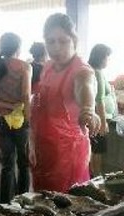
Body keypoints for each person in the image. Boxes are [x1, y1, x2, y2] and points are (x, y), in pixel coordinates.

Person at [30, 13, 100, 193]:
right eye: (50, 41)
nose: (56, 48)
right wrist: (31, 141)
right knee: (41, 200)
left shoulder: (82, 71)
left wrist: (88, 110)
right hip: (43, 148)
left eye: (63, 41)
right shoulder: (47, 67)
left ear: (74, 40)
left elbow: (85, 89)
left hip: (68, 155)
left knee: (66, 203)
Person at [0, 32, 31, 204]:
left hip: (2, 121)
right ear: (18, 47)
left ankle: (5, 204)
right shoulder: (24, 67)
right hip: (21, 121)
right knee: (24, 164)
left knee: (7, 165)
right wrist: (25, 116)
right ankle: (23, 203)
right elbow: (26, 96)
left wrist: (6, 106)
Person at [88, 43, 117, 176]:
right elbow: (98, 100)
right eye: (107, 57)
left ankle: (92, 175)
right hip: (99, 118)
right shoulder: (97, 73)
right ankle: (96, 177)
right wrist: (103, 123)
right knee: (97, 150)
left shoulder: (93, 71)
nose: (108, 61)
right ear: (101, 57)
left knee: (94, 149)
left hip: (95, 117)